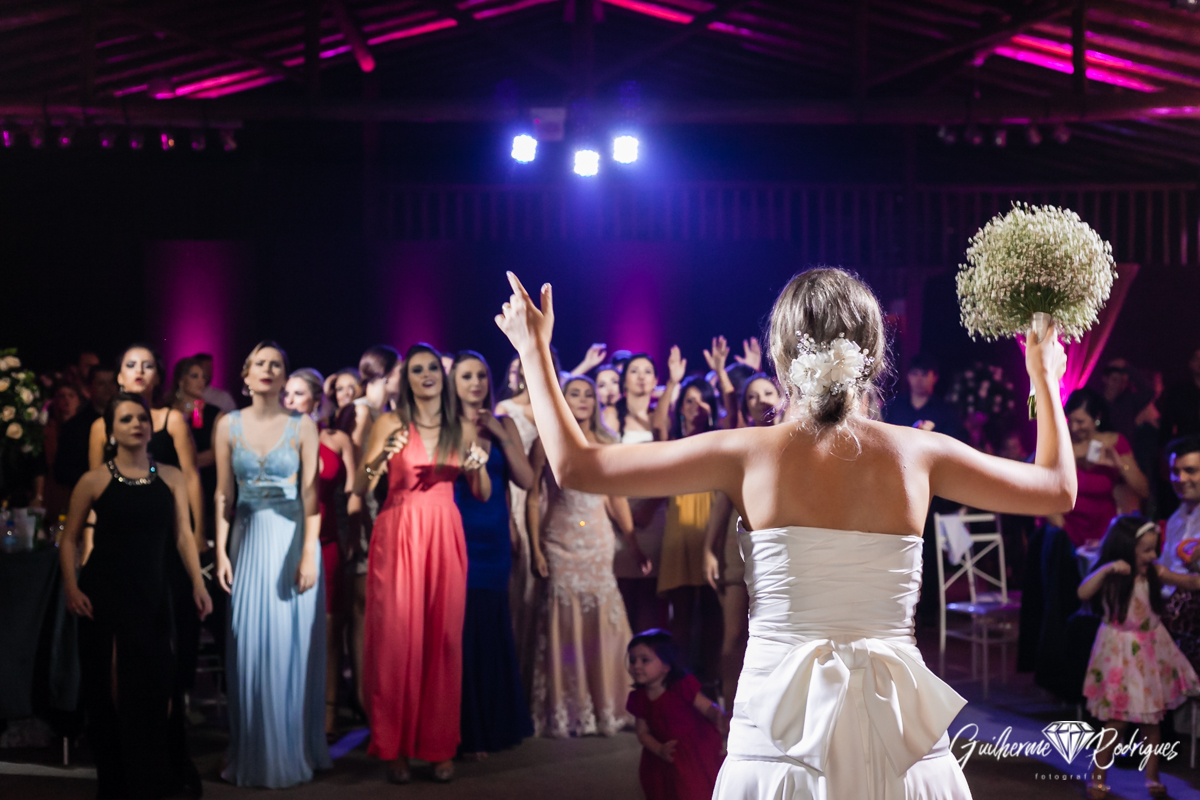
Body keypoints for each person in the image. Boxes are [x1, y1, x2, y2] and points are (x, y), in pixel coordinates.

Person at [495, 266, 1079, 798]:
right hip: (896, 718)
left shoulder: (744, 452)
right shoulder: (921, 453)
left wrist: (533, 350)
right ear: (873, 354)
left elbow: (577, 467)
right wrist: (1044, 376)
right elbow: (1057, 488)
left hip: (776, 717)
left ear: (780, 354)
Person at [59, 392, 212, 799]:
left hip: (152, 595)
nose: (136, 424)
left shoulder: (171, 476)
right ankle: (118, 784)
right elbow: (69, 539)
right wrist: (71, 587)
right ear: (111, 431)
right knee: (112, 696)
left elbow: (182, 536)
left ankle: (157, 779)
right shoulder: (94, 480)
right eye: (126, 419)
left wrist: (198, 584)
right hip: (104, 594)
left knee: (157, 690)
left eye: (141, 418)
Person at [359, 343, 490, 784]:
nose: (427, 375)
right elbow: (360, 484)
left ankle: (437, 746)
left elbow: (482, 491)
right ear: (406, 379)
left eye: (433, 367)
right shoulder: (390, 422)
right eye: (417, 370)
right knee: (398, 640)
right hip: (398, 531)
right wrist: (381, 455)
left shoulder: (460, 426)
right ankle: (394, 747)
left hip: (444, 531)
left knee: (443, 638)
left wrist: (480, 466)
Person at [213, 341, 331, 788]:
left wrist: (308, 555)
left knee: (287, 649)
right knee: (247, 649)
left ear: (285, 377)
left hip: (291, 541)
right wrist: (221, 551)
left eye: (276, 364)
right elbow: (224, 493)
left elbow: (311, 497)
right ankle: (251, 751)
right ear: (245, 376)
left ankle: (290, 749)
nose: (267, 369)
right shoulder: (227, 425)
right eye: (259, 363)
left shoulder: (302, 426)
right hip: (246, 540)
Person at [88, 345, 206, 789]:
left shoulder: (171, 420)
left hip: (163, 550)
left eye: (148, 364)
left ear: (158, 375)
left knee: (163, 656)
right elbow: (94, 495)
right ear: (120, 374)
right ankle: (123, 761)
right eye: (131, 364)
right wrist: (85, 557)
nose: (139, 371)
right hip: (115, 559)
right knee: (116, 664)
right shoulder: (105, 428)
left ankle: (162, 757)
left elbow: (190, 475)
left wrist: (196, 534)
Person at [527, 376, 645, 738]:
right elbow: (533, 496)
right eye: (573, 394)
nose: (581, 400)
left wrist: (633, 541)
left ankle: (610, 706)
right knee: (564, 621)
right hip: (559, 537)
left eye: (587, 395)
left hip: (597, 539)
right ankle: (569, 709)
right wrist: (534, 547)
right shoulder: (544, 440)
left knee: (604, 620)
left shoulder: (607, 442)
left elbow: (616, 498)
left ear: (596, 402)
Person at [1077, 514, 1200, 799]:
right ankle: (1098, 776)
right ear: (1125, 548)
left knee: (1151, 720)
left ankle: (1152, 776)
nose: (1153, 555)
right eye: (1146, 549)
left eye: (1154, 548)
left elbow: (1191, 582)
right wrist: (1106, 569)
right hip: (1119, 654)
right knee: (1117, 721)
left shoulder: (1154, 573)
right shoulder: (1113, 577)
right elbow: (1083, 591)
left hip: (1149, 651)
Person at [450, 351, 536, 756]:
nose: (475, 383)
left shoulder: (504, 423)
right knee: (460, 633)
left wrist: (501, 437)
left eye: (481, 375)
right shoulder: (443, 427)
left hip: (495, 543)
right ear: (453, 382)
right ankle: (463, 729)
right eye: (466, 376)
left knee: (491, 629)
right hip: (453, 539)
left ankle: (493, 726)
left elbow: (526, 479)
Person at [284, 368, 360, 741]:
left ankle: (328, 711)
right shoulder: (277, 439)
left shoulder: (338, 439)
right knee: (289, 633)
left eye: (298, 394)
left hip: (327, 543)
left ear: (316, 400)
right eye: (287, 394)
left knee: (328, 634)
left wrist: (352, 537)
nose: (289, 401)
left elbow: (354, 494)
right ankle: (290, 708)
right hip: (285, 543)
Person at [704, 372, 782, 711]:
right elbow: (723, 501)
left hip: (782, 552)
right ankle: (731, 712)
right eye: (752, 395)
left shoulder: (796, 439)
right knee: (733, 638)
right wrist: (708, 549)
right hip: (739, 552)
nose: (761, 400)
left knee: (778, 639)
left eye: (768, 392)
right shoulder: (740, 442)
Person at [659, 371, 721, 687]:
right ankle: (679, 684)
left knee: (713, 613)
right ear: (680, 407)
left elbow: (735, 421)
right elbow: (658, 426)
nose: (696, 407)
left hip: (711, 529)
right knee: (680, 614)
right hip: (680, 529)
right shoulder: (673, 442)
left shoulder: (719, 440)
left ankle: (710, 681)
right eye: (689, 401)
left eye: (702, 401)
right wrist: (672, 383)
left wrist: (722, 378)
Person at [349, 344, 402, 710]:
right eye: (401, 372)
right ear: (386, 374)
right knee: (362, 611)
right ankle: (365, 701)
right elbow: (358, 474)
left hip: (377, 511)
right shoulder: (363, 413)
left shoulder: (382, 412)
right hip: (363, 516)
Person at [627, 629, 727, 800]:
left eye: (645, 660)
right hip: (664, 752)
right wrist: (659, 749)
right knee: (666, 791)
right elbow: (642, 733)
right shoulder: (638, 698)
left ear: (666, 666)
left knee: (694, 789)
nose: (636, 666)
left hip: (695, 749)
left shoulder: (682, 685)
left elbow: (706, 707)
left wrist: (717, 715)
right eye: (632, 660)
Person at [1049, 388, 1149, 548]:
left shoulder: (1114, 442)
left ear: (1097, 417)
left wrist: (1120, 465)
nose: (1074, 428)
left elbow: (1143, 490)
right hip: (1067, 532)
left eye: (1080, 422)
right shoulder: (1060, 445)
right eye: (1070, 421)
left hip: (1105, 532)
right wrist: (1060, 526)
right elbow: (1037, 487)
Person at [1161, 436, 1200, 678]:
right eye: (1175, 471)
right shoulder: (1177, 518)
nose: (1181, 479)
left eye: (1190, 471)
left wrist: (1162, 575)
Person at [54, 365, 118, 495]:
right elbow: (61, 471)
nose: (108, 388)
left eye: (112, 382)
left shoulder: (128, 421)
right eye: (101, 383)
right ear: (89, 388)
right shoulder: (73, 427)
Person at [883, 352, 964, 440]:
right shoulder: (893, 406)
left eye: (924, 374)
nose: (919, 379)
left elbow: (952, 444)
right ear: (907, 376)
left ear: (935, 377)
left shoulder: (946, 412)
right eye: (914, 373)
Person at [1160, 346, 1200, 444]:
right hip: (1188, 448)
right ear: (1190, 363)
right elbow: (1167, 423)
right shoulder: (1179, 392)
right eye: (1197, 359)